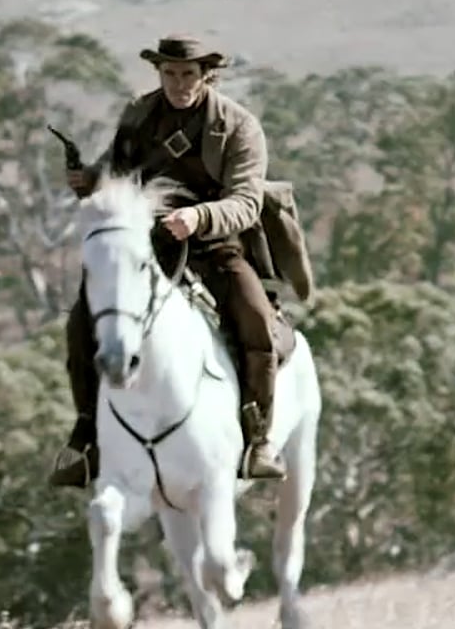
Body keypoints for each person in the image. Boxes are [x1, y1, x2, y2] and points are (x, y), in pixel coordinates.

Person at [49, 34, 288, 488]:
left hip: (214, 245)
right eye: (170, 73)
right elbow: (116, 174)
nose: (179, 83)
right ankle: (86, 436)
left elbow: (246, 202)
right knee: (82, 322)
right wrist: (89, 180)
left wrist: (199, 217)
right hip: (144, 243)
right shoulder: (139, 114)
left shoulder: (239, 126)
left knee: (257, 320)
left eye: (188, 74)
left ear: (206, 75)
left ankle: (258, 437)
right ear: (159, 73)